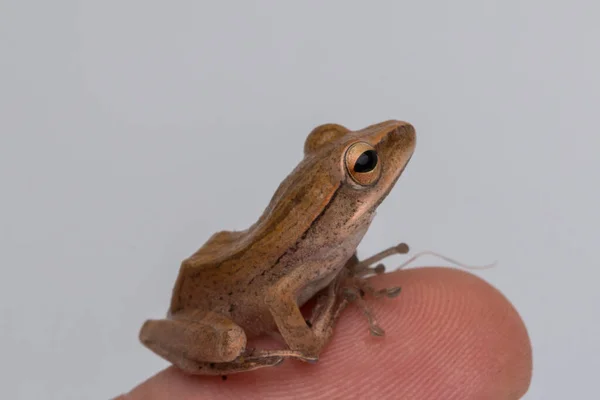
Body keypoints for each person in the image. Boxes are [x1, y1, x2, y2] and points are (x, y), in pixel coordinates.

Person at [116, 267, 532, 399]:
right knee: (230, 342)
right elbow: (304, 340)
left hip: (218, 277)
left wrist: (342, 273)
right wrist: (333, 302)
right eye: (366, 165)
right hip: (210, 315)